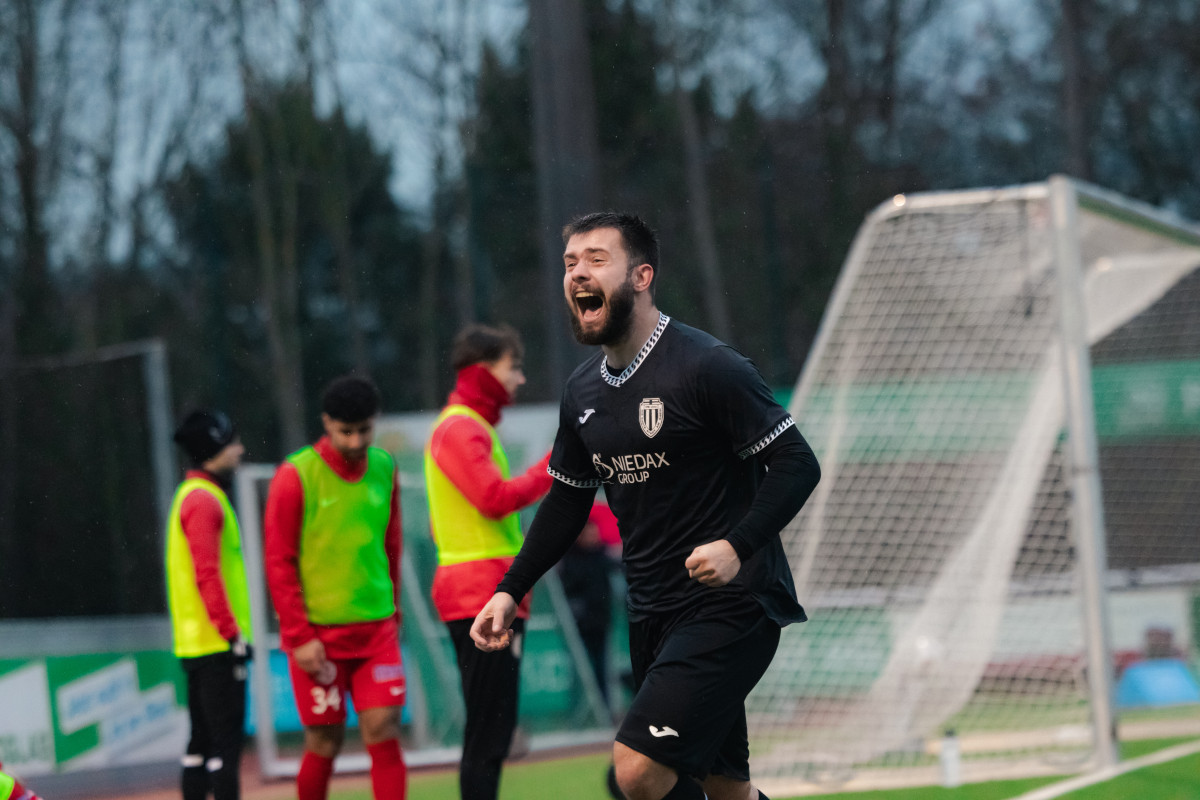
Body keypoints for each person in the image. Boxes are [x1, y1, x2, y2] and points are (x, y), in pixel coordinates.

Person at [471, 212, 821, 800]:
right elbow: (566, 502)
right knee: (725, 789)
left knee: (636, 771)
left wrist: (738, 546)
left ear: (641, 276)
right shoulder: (582, 391)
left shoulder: (708, 366)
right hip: (651, 614)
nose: (578, 273)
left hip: (731, 607)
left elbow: (797, 463)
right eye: (569, 263)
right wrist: (511, 589)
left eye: (596, 260)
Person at [423, 323, 553, 800]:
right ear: (484, 372)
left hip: (485, 592)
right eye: (512, 367)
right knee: (488, 733)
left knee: (493, 732)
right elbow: (493, 498)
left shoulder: (466, 426)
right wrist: (555, 466)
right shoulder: (461, 428)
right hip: (479, 595)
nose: (519, 379)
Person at [264, 375, 407, 800]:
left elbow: (391, 544)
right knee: (324, 742)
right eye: (346, 431)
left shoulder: (384, 466)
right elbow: (279, 562)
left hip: (377, 629)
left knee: (383, 730)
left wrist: (394, 609)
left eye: (364, 429)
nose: (356, 440)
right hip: (318, 638)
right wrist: (299, 637)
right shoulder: (295, 475)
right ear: (326, 423)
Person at [165, 409, 253, 800]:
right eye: (232, 442)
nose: (240, 450)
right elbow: (208, 576)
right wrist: (232, 633)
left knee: (200, 744)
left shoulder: (188, 494)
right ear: (214, 449)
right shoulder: (205, 501)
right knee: (224, 747)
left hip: (194, 643)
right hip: (217, 644)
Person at [557, 501, 621, 708]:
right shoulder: (570, 559)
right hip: (579, 623)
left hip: (600, 620)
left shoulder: (603, 555)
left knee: (602, 666)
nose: (592, 537)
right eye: (588, 533)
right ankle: (579, 711)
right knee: (580, 668)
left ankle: (604, 708)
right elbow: (567, 588)